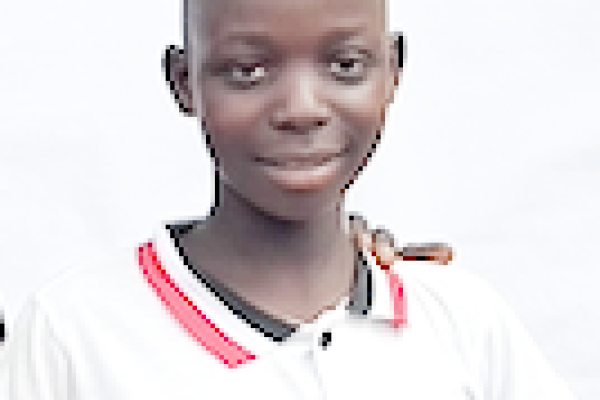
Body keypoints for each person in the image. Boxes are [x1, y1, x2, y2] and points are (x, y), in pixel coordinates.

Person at [6, 0, 575, 399]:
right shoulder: (73, 335)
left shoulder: (461, 321)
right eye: (247, 71)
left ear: (393, 70)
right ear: (184, 81)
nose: (302, 109)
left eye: (345, 66)